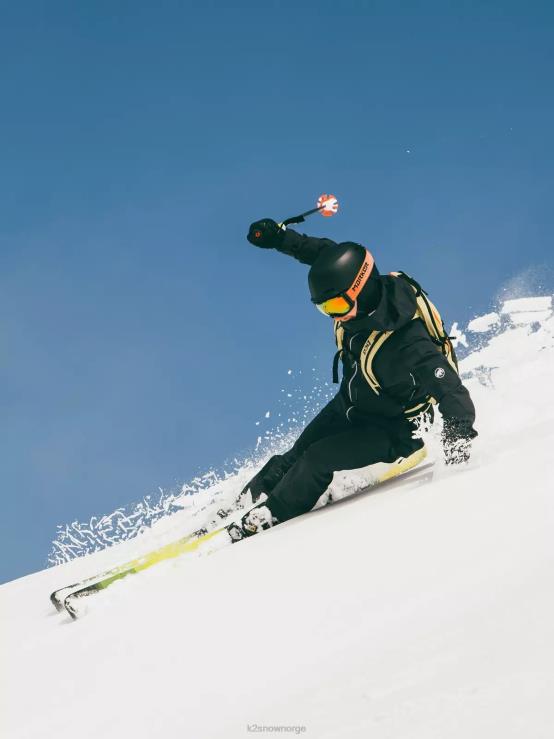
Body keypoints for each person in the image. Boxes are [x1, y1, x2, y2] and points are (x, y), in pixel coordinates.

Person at [234, 218, 477, 539]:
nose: (334, 315)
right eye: (324, 309)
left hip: (395, 429)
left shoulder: (408, 341)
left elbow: (453, 393)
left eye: (337, 305)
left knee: (317, 458)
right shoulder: (355, 301)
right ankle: (249, 500)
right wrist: (279, 238)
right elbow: (319, 253)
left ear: (359, 290)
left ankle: (272, 513)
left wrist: (456, 454)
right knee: (295, 454)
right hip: (351, 403)